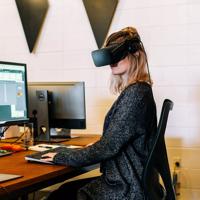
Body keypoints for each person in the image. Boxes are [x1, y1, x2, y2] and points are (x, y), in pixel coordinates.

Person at [42, 27, 159, 200]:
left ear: (135, 53)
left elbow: (108, 147)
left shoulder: (137, 94)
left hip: (126, 187)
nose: (111, 59)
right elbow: (115, 141)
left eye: (116, 52)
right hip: (128, 181)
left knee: (60, 196)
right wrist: (96, 146)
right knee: (64, 190)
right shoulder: (138, 91)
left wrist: (61, 157)